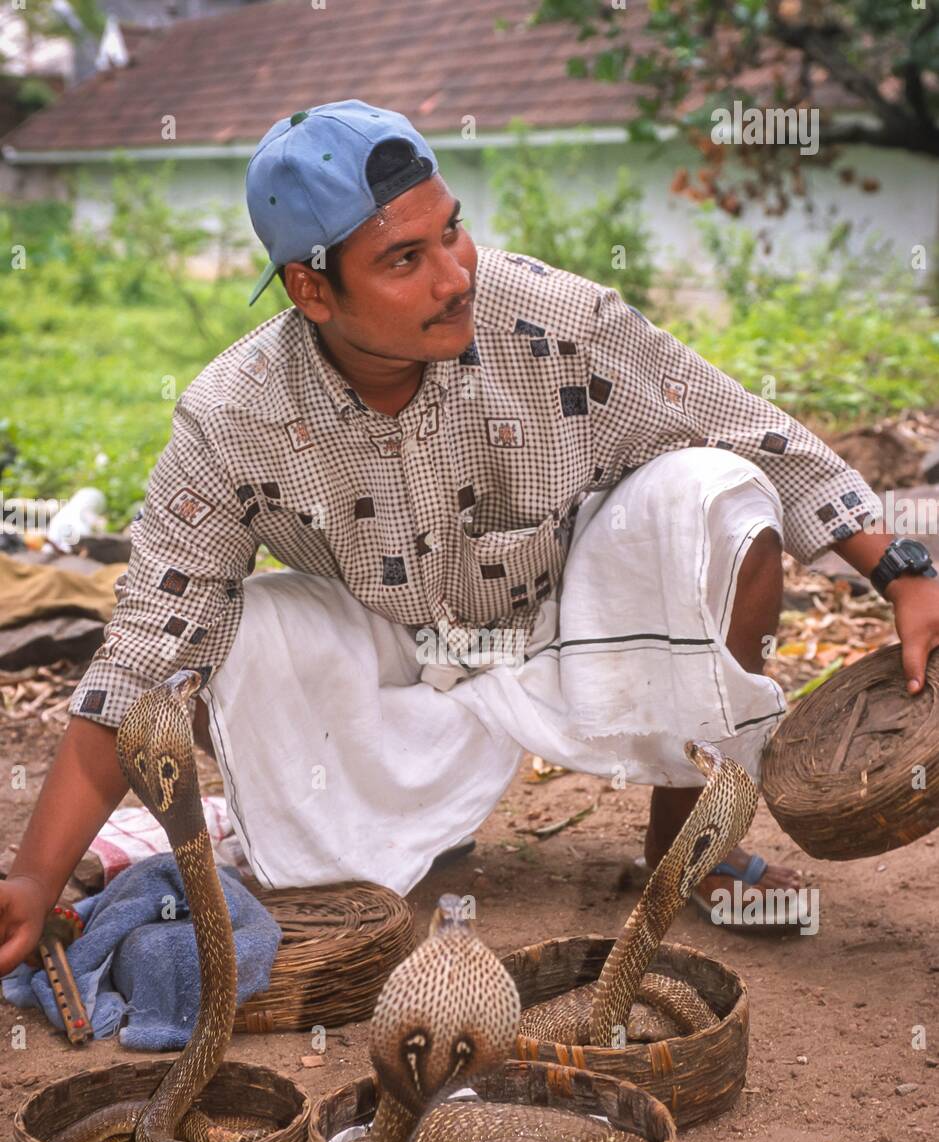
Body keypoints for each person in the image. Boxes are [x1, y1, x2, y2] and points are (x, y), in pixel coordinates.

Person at [2, 98, 938, 976]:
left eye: (450, 229)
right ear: (311, 291)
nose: (454, 277)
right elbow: (141, 656)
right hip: (395, 659)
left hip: (565, 627)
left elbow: (738, 423)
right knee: (239, 633)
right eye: (404, 259)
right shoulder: (231, 419)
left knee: (718, 496)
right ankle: (389, 837)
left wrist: (899, 568)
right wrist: (35, 881)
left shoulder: (551, 319)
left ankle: (693, 841)